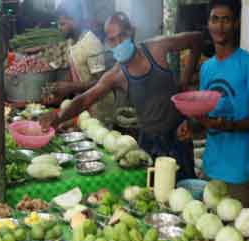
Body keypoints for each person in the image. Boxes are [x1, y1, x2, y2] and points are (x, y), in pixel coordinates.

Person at [41, 12, 203, 179]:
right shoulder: (117, 75)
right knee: (154, 191)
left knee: (186, 186)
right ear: (108, 42)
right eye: (112, 39)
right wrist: (59, 117)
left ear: (131, 32)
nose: (118, 43)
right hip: (149, 142)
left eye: (122, 36)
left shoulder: (156, 48)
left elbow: (196, 39)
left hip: (178, 134)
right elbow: (85, 99)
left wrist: (185, 80)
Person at [178, 0, 249, 196]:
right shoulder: (207, 68)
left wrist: (229, 126)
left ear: (235, 23)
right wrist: (192, 126)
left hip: (237, 171)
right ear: (208, 24)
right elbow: (205, 116)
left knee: (234, 223)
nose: (219, 26)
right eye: (214, 19)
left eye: (226, 20)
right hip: (211, 165)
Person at [45, 0, 117, 125]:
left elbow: (101, 82)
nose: (59, 28)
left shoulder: (90, 43)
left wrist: (70, 87)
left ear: (75, 20)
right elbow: (74, 69)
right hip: (83, 105)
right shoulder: (72, 41)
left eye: (62, 24)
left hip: (99, 109)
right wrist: (60, 92)